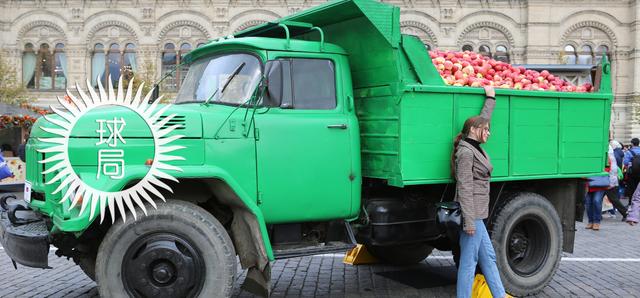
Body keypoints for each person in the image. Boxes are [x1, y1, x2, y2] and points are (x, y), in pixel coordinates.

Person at [452, 85, 508, 298]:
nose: (489, 133)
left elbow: (483, 117)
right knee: (469, 262)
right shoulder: (466, 153)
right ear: (475, 130)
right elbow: (464, 187)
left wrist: (490, 98)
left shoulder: (474, 145)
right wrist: (468, 222)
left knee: (489, 258)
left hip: (479, 213)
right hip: (472, 214)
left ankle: (500, 295)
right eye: (486, 129)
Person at [623, 138, 640, 204]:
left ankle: (631, 203)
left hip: (632, 172)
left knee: (632, 188)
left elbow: (626, 162)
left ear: (632, 143)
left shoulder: (629, 152)